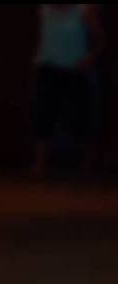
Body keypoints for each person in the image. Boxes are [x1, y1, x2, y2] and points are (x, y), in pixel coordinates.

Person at [32, 4, 104, 176]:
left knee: (81, 116)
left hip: (75, 69)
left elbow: (100, 40)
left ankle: (86, 165)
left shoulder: (83, 10)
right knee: (43, 115)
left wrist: (89, 59)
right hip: (48, 67)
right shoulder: (45, 9)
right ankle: (39, 164)